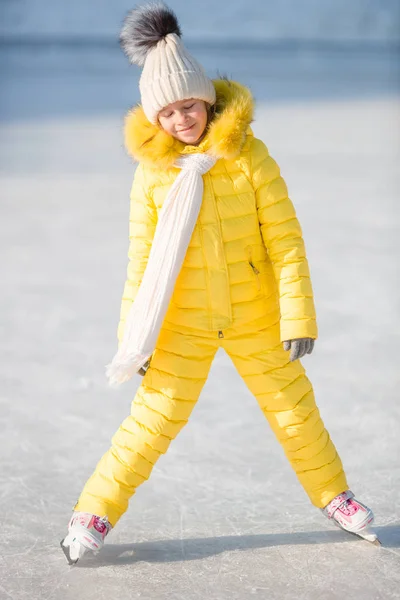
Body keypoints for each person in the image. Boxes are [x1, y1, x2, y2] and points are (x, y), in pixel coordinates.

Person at [60, 2, 377, 564]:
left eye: (190, 105)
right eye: (169, 112)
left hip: (256, 312)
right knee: (153, 420)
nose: (182, 120)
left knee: (293, 409)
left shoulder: (248, 157)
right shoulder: (152, 176)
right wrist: (136, 342)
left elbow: (285, 241)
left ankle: (336, 497)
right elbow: (142, 263)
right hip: (184, 321)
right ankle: (94, 512)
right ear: (154, 119)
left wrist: (298, 315)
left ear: (207, 100)